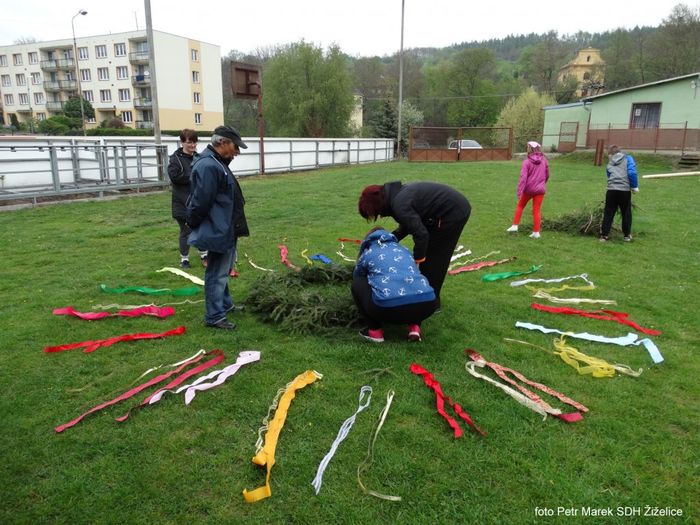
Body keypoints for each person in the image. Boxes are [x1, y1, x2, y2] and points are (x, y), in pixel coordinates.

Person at [358, 181, 471, 307]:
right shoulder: (395, 197)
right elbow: (408, 224)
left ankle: (432, 303)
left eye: (376, 213)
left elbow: (421, 234)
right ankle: (426, 298)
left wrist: (417, 260)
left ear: (378, 204)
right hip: (442, 211)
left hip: (452, 212)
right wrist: (390, 239)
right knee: (428, 257)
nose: (380, 216)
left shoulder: (399, 204)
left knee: (434, 258)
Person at [186, 126, 249, 329]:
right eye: (235, 147)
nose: (237, 152)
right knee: (217, 272)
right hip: (218, 227)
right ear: (222, 142)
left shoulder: (217, 162)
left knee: (224, 270)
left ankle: (225, 304)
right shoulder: (209, 165)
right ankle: (214, 316)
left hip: (227, 226)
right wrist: (192, 222)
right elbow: (201, 201)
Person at [352, 228, 438, 343]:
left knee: (357, 283)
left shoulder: (369, 252)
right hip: (428, 305)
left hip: (387, 309)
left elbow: (357, 276)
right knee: (414, 285)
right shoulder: (404, 249)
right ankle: (414, 328)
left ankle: (375, 332)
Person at [167, 129, 207, 268]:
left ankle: (204, 255)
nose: (192, 145)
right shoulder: (175, 159)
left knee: (201, 228)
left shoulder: (199, 157)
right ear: (182, 142)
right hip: (181, 203)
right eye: (189, 142)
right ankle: (184, 259)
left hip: (198, 202)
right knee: (186, 231)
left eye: (194, 142)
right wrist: (194, 176)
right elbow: (174, 177)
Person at [506, 141, 550, 239]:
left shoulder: (526, 162)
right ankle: (536, 232)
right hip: (540, 190)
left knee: (520, 206)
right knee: (536, 210)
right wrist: (542, 184)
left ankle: (515, 226)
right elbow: (547, 175)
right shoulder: (544, 161)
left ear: (529, 149)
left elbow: (523, 178)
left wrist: (519, 191)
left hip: (528, 190)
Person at [600, 145, 638, 242]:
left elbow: (609, 175)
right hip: (624, 191)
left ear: (611, 154)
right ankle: (627, 236)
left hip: (611, 191)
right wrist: (634, 187)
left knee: (608, 213)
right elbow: (632, 173)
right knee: (626, 213)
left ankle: (604, 236)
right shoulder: (628, 158)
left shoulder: (610, 162)